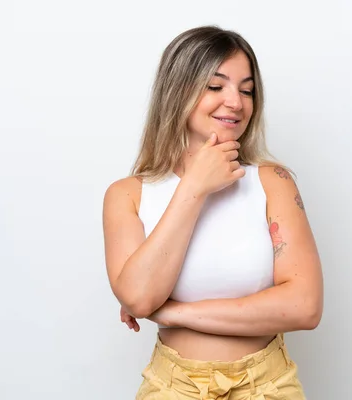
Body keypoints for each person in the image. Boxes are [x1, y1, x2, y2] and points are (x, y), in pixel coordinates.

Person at [102, 25, 323, 399]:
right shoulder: (128, 195)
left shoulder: (274, 182)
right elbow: (139, 299)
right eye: (216, 86)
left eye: (247, 90)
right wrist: (194, 187)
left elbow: (305, 306)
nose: (236, 102)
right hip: (172, 387)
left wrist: (173, 313)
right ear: (178, 92)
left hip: (267, 386)